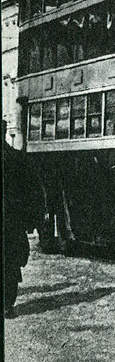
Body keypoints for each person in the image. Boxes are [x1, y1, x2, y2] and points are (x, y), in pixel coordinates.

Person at [4, 135, 41, 318]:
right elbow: (32, 190)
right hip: (13, 223)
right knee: (11, 264)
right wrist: (31, 220)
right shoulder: (18, 158)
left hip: (12, 221)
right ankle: (7, 305)